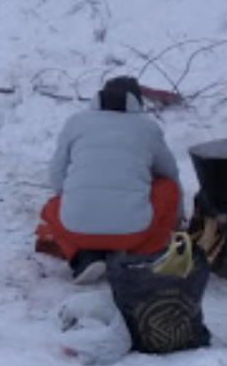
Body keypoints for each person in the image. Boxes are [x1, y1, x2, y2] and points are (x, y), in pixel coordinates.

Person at [40, 76, 183, 284]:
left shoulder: (76, 122)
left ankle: (82, 257)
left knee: (52, 207)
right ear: (137, 101)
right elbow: (170, 174)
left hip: (78, 231)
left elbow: (56, 178)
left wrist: (76, 196)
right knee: (167, 188)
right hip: (134, 233)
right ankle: (139, 255)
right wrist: (178, 220)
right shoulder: (147, 127)